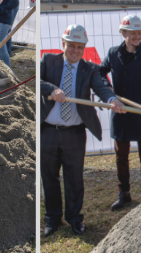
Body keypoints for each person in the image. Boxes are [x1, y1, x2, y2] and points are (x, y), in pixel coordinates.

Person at [40, 24, 125, 237]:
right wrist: (52, 89)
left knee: (74, 177)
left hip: (74, 133)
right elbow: (36, 82)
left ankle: (75, 219)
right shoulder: (48, 61)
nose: (75, 50)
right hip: (48, 131)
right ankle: (52, 219)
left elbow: (102, 87)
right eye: (71, 46)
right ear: (63, 44)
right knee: (48, 177)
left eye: (80, 47)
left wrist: (112, 99)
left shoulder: (90, 69)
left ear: (84, 47)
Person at [99, 15, 141, 209]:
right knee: (121, 156)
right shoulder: (112, 53)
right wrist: (109, 93)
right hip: (121, 114)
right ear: (123, 33)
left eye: (139, 33)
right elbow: (100, 73)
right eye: (133, 33)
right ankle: (124, 192)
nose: (137, 36)